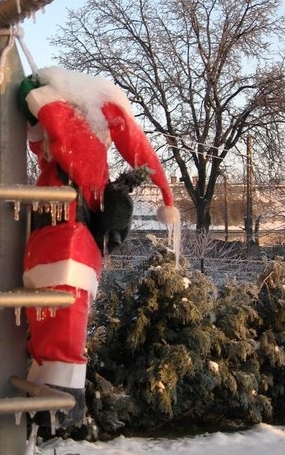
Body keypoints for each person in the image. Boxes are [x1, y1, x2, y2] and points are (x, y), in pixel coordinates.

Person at [18, 66, 179, 428]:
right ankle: (55, 396)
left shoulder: (77, 155)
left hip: (61, 242)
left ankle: (53, 396)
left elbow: (61, 127)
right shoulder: (80, 162)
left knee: (56, 318)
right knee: (59, 318)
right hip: (66, 243)